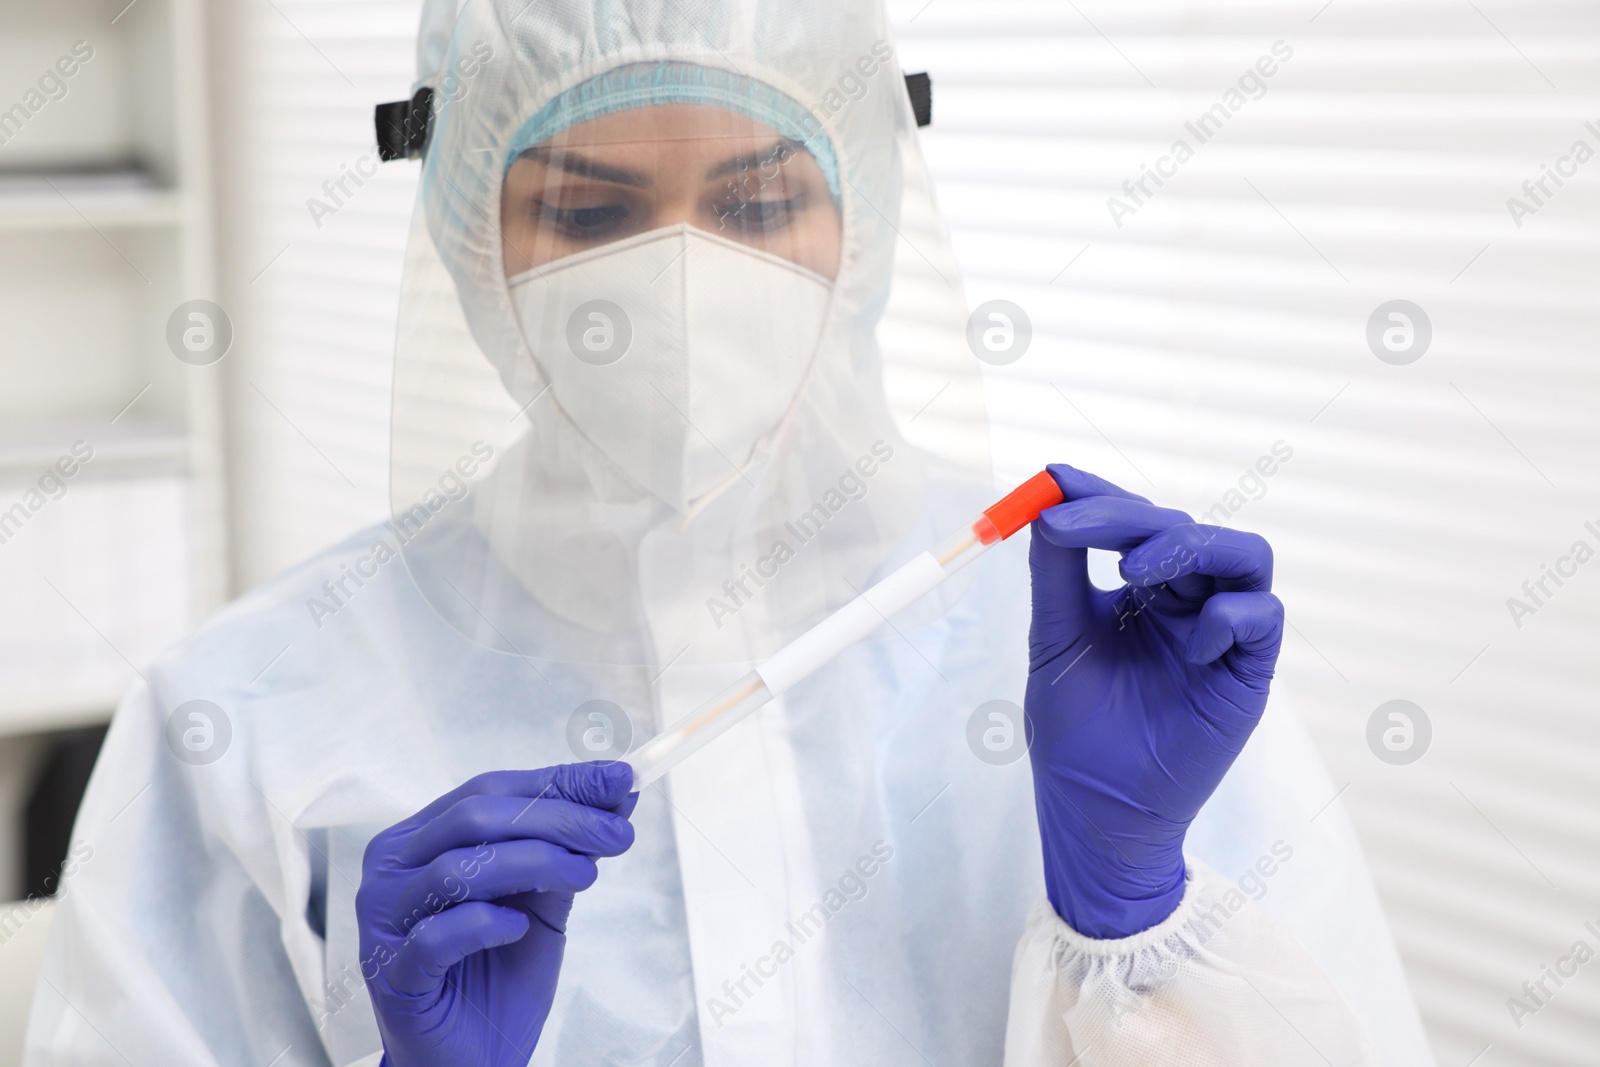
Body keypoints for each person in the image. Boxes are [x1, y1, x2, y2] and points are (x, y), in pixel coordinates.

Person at [24, 0, 1435, 1063]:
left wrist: (1134, 917)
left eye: (760, 200)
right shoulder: (246, 714)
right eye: (588, 209)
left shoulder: (1104, 658)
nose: (687, 280)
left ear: (863, 218)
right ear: (467, 236)